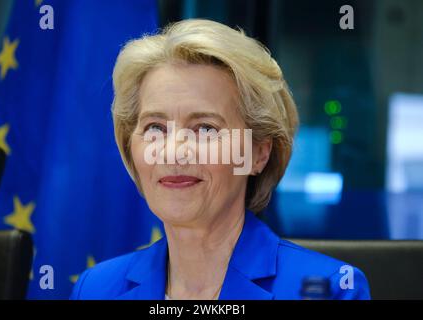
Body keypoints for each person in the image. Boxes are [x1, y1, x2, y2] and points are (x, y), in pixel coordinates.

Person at [70, 19, 370, 300]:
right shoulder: (96, 288)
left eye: (205, 128)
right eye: (155, 128)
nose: (174, 151)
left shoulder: (332, 289)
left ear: (258, 153)